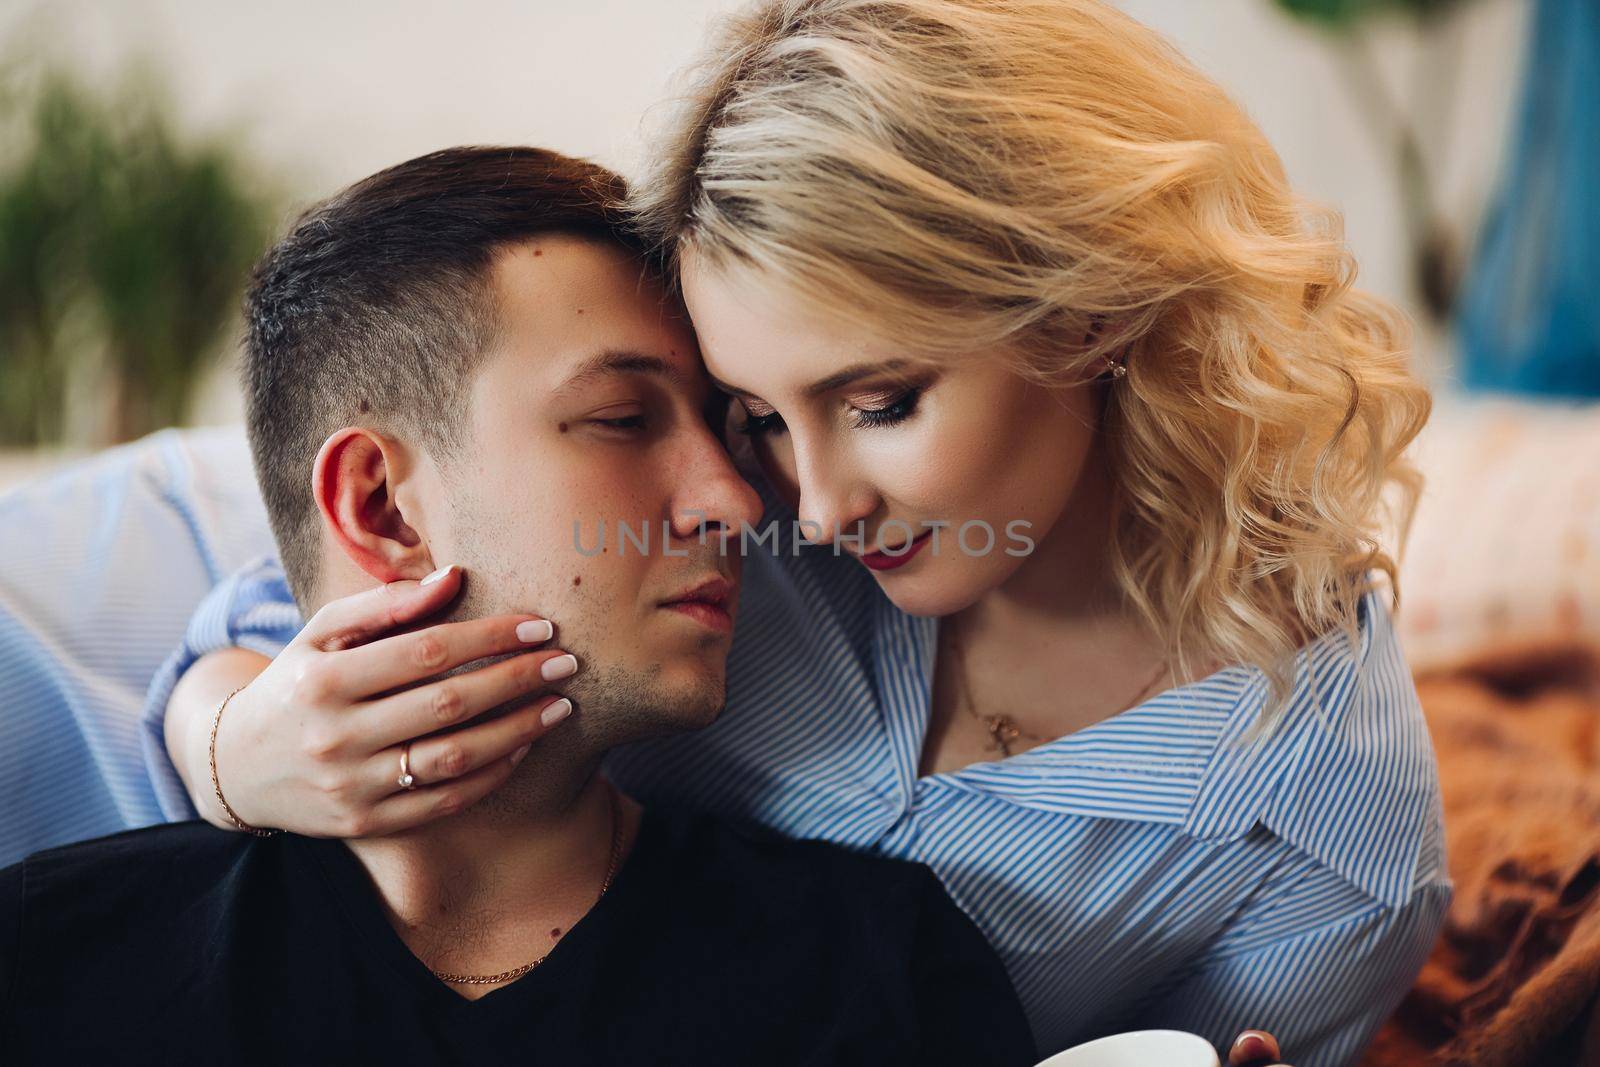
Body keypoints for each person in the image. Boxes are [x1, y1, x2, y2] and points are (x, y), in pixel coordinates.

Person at [134, 2, 1447, 1063]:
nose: (809, 505)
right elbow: (326, 596)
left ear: (1088, 312)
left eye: (880, 401)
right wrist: (228, 743)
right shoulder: (712, 522)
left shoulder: (1333, 840)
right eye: (753, 410)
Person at [0, 146, 1040, 1067]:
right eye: (622, 418)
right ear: (380, 507)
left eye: (732, 428)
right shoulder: (54, 958)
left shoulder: (875, 972)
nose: (739, 500)